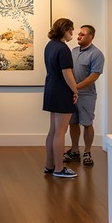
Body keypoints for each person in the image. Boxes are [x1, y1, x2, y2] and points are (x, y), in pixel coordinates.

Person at [42, 17, 79, 178]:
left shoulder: (50, 45)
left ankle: (49, 165)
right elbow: (67, 73)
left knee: (53, 130)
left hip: (51, 89)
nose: (73, 33)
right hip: (61, 91)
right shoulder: (63, 49)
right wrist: (75, 90)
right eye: (71, 29)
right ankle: (59, 168)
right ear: (65, 30)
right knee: (60, 132)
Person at [65, 24, 104, 167]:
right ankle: (75, 151)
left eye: (83, 34)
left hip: (86, 95)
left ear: (91, 36)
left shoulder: (97, 54)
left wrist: (76, 88)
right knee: (73, 123)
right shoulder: (73, 51)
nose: (79, 36)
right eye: (79, 34)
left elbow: (94, 76)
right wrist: (71, 89)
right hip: (72, 94)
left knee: (87, 123)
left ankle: (87, 152)